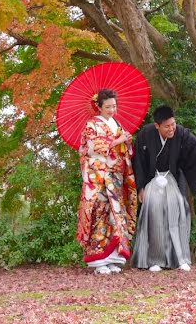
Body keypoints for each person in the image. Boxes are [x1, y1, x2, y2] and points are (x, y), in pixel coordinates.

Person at [131, 105, 196, 271]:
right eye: (167, 126)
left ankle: (180, 258)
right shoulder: (145, 134)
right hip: (152, 181)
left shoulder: (179, 132)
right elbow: (138, 162)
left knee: (179, 212)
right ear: (157, 125)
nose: (171, 128)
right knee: (154, 215)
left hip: (171, 179)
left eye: (173, 124)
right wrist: (141, 187)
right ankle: (154, 260)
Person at [76, 88, 138, 275]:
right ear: (99, 107)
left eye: (114, 106)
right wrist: (118, 140)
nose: (112, 110)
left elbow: (123, 150)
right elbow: (92, 148)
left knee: (116, 217)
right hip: (100, 177)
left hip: (116, 176)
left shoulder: (116, 123)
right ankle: (99, 260)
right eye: (108, 107)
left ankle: (113, 259)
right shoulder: (92, 125)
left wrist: (126, 143)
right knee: (100, 214)